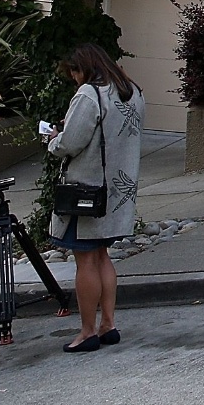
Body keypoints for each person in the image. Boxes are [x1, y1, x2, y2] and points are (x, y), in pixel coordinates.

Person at [45, 44, 145, 354]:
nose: (73, 78)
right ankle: (108, 324)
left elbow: (72, 142)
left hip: (87, 190)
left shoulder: (90, 94)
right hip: (117, 189)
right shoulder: (132, 91)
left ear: (82, 68)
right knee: (102, 256)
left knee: (85, 259)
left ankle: (87, 331)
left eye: (73, 72)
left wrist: (53, 140)